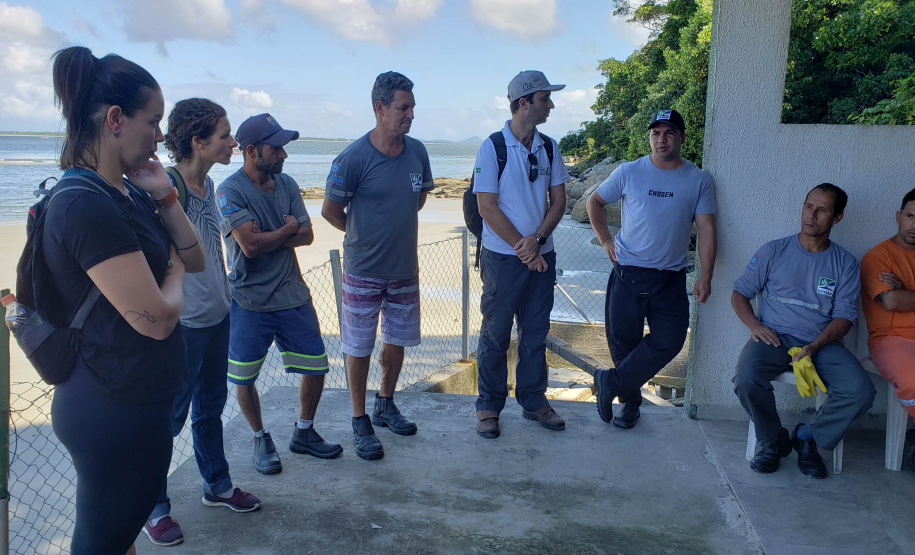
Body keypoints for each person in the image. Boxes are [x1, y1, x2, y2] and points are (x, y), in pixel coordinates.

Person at [47, 46, 205, 555]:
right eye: (154, 121)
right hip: (108, 404)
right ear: (116, 119)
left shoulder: (126, 193)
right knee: (100, 541)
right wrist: (172, 268)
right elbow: (157, 319)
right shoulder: (83, 203)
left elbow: (197, 256)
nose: (161, 136)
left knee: (118, 534)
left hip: (136, 399)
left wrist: (164, 195)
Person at [143, 99, 261, 546]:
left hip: (218, 315)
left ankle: (217, 485)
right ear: (199, 141)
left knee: (210, 409)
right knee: (167, 420)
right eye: (225, 135)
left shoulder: (209, 185)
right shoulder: (165, 188)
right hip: (184, 325)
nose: (234, 143)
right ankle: (153, 508)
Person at [217, 113, 341, 475]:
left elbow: (307, 235)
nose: (284, 154)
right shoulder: (229, 191)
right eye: (276, 147)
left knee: (316, 365)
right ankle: (260, 437)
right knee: (244, 378)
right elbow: (250, 246)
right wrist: (285, 227)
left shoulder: (287, 184)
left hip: (292, 293)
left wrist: (275, 232)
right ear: (252, 150)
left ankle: (303, 432)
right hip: (248, 300)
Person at [322, 71, 433, 459]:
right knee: (359, 346)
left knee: (397, 340)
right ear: (380, 108)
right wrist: (364, 234)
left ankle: (385, 403)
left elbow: (416, 200)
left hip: (405, 268)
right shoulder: (352, 157)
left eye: (413, 107)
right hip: (362, 270)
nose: (411, 115)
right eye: (404, 108)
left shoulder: (418, 151)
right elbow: (331, 211)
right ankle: (359, 419)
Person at [731, 184, 876, 478]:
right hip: (774, 337)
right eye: (808, 206)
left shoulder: (845, 263)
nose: (811, 215)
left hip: (823, 344)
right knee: (746, 378)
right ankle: (773, 442)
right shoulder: (773, 250)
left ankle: (808, 437)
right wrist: (755, 326)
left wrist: (817, 345)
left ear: (837, 218)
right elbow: (739, 293)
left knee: (861, 391)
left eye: (822, 210)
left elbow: (846, 317)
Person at [589, 109, 717, 430]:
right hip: (627, 275)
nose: (662, 139)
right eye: (656, 133)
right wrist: (606, 240)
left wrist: (706, 275)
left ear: (682, 138)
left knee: (671, 340)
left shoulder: (698, 180)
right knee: (624, 345)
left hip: (669, 280)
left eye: (669, 133)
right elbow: (594, 203)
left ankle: (611, 383)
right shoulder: (629, 171)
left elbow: (707, 231)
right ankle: (630, 405)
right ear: (650, 137)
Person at [471, 70, 570, 439]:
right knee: (495, 334)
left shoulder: (549, 147)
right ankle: (488, 406)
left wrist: (537, 240)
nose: (551, 105)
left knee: (535, 333)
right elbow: (486, 206)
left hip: (541, 255)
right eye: (546, 98)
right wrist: (524, 247)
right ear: (524, 102)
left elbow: (559, 201)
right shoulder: (492, 146)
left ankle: (533, 400)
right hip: (503, 259)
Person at [861, 187, 915, 468]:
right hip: (892, 340)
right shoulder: (878, 257)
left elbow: (903, 298)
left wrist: (910, 293)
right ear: (898, 216)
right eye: (910, 216)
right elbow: (892, 301)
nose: (914, 225)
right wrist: (901, 294)